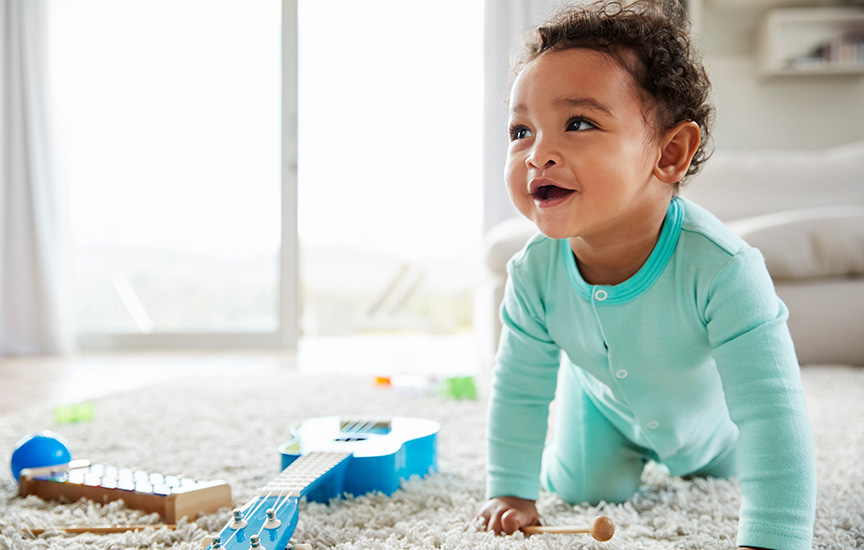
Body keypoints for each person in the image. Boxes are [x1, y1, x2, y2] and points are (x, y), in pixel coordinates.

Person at [475, 1, 817, 549]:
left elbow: (772, 411)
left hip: (713, 423)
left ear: (670, 153)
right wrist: (512, 490)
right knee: (586, 488)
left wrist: (775, 534)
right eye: (521, 131)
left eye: (578, 123)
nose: (538, 154)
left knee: (724, 468)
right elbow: (518, 389)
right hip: (601, 409)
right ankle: (594, 423)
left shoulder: (724, 269)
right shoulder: (533, 273)